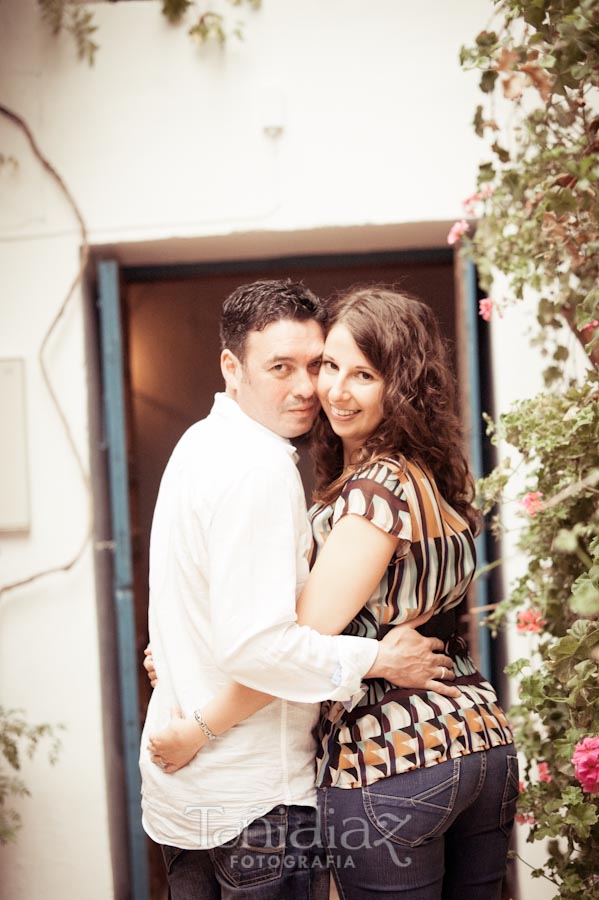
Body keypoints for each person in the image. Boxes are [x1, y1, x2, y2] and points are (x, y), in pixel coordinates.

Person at [149, 286, 518, 900]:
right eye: (330, 367)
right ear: (232, 367)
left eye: (363, 374)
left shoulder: (374, 489)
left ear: (398, 386)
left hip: (395, 752)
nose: (331, 390)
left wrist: (198, 729)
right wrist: (185, 649)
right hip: (481, 738)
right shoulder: (430, 476)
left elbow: (293, 640)